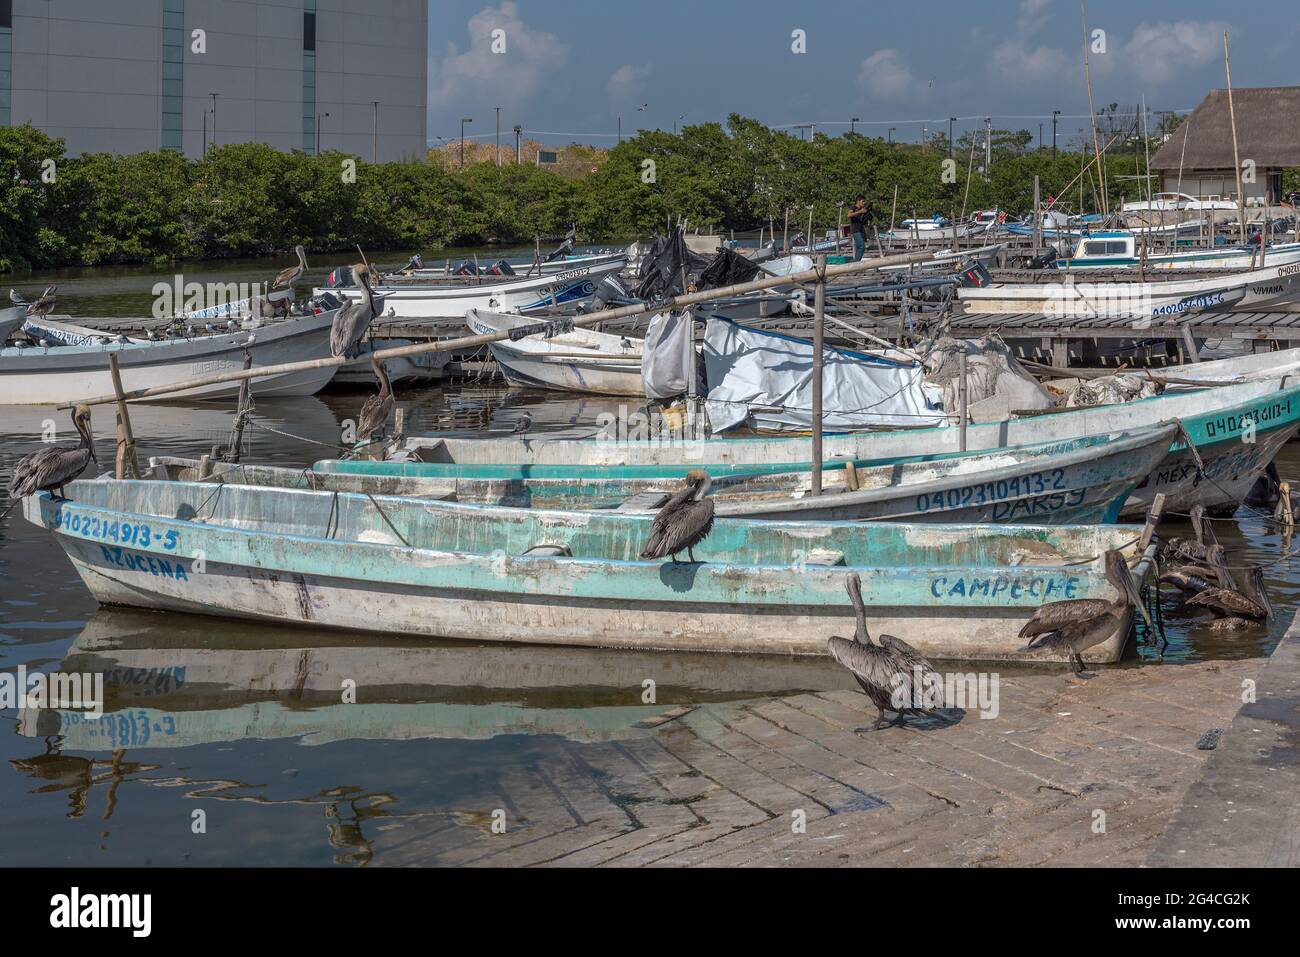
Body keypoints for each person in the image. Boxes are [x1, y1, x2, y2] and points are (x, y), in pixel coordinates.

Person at [848, 195, 873, 260]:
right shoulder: (853, 207)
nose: (864, 203)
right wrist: (860, 212)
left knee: (859, 247)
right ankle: (855, 263)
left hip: (861, 229)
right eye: (862, 201)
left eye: (864, 201)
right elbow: (849, 215)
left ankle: (855, 263)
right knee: (862, 247)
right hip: (855, 230)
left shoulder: (863, 209)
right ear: (858, 201)